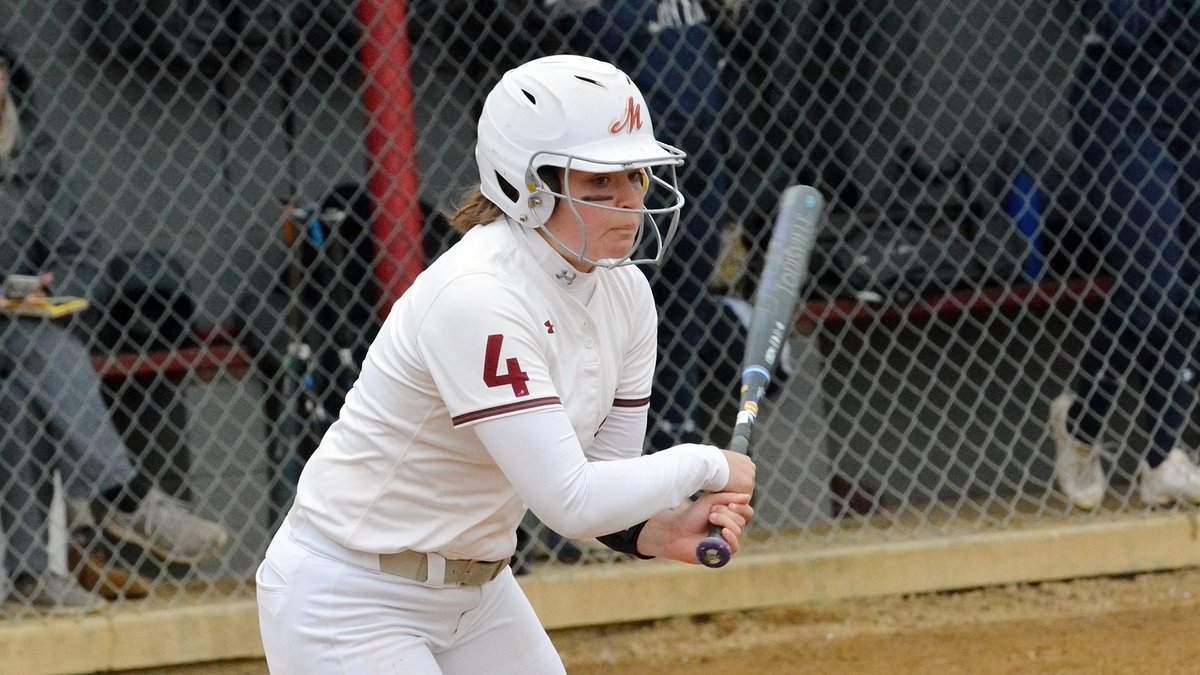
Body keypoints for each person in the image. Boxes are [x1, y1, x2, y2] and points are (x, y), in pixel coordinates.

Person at [255, 54, 756, 674]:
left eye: (636, 176)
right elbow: (570, 502)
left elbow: (605, 478)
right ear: (528, 186)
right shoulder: (479, 295)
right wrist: (706, 463)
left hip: (480, 593)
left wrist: (655, 531)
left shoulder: (625, 293)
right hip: (353, 599)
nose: (630, 201)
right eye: (601, 182)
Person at [0, 45, 230, 612]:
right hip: (21, 336)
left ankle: (29, 579)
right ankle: (122, 499)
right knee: (43, 351)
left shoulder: (33, 153)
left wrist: (53, 288)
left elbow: (83, 251)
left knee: (22, 393)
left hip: (18, 336)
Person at [548, 0, 731, 451]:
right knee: (608, 315)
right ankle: (594, 460)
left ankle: (674, 442)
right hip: (619, 169)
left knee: (683, 314)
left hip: (698, 165)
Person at [1050, 0, 1200, 509]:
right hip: (1124, 107)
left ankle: (1162, 459)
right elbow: (1123, 22)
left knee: (1190, 289)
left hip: (1193, 110)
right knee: (1156, 286)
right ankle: (1082, 423)